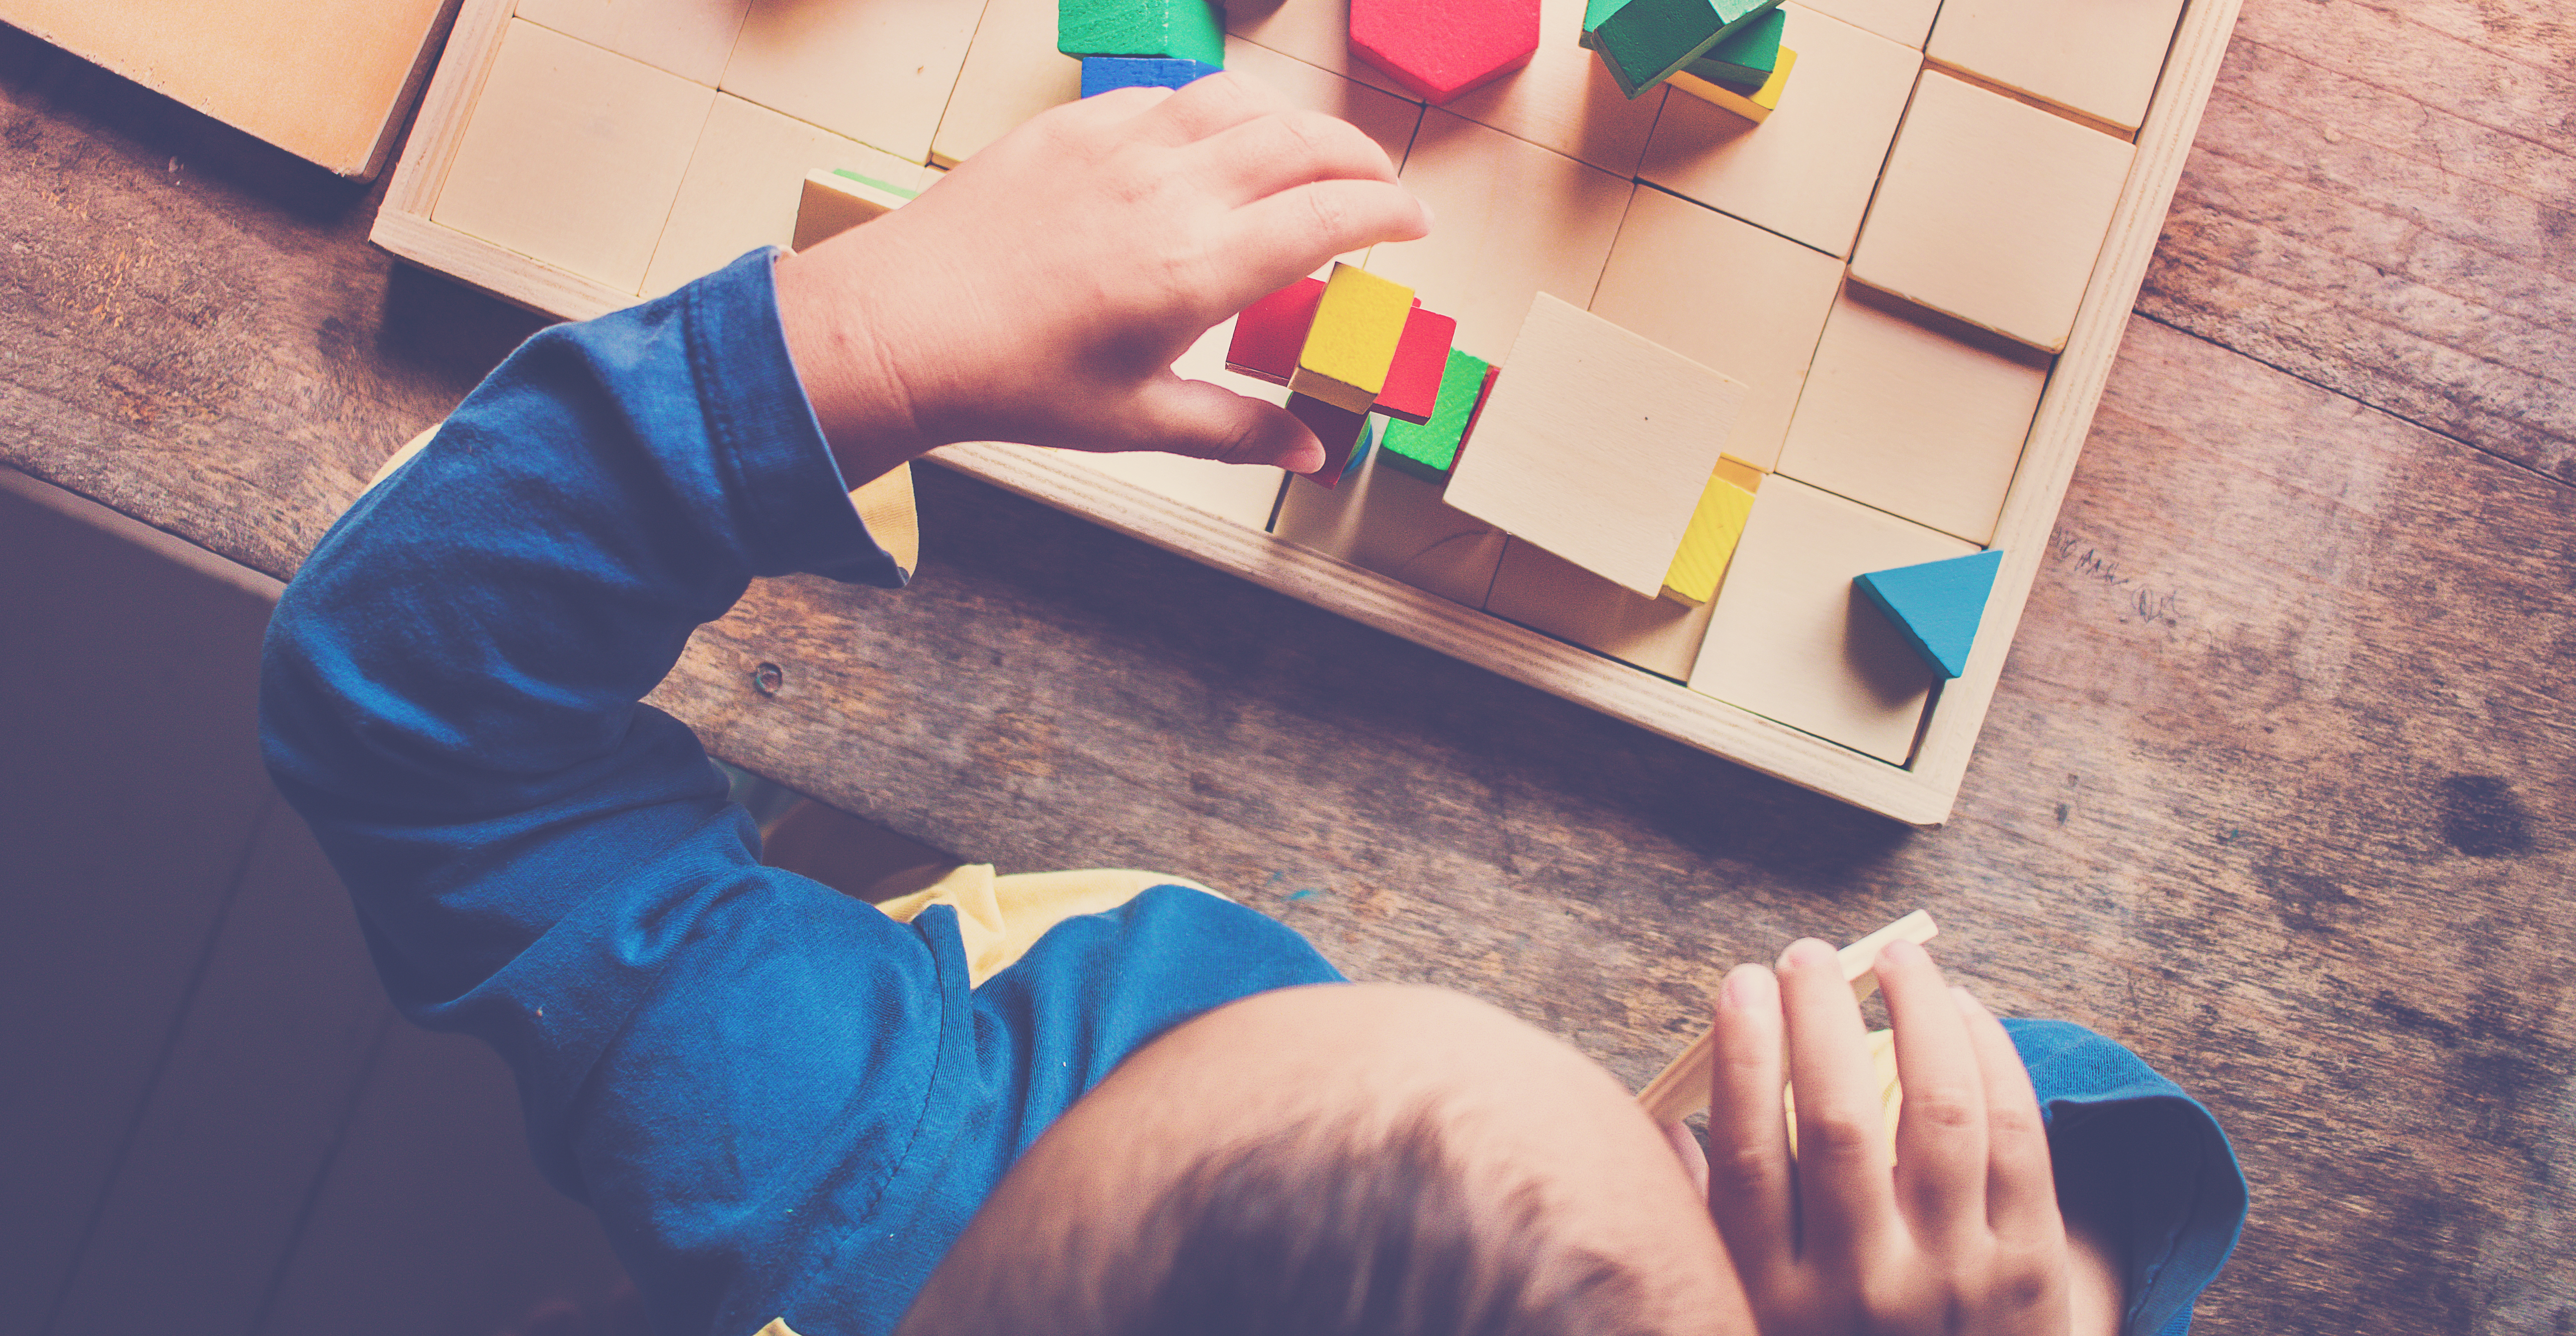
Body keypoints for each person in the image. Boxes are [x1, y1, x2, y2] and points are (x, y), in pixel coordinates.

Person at [262, 74, 2244, 1336]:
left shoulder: (830, 1157)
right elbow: (2013, 1133)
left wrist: (844, 338)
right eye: (1682, 1189)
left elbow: (423, 740)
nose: (1705, 1159)